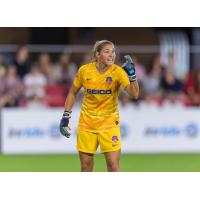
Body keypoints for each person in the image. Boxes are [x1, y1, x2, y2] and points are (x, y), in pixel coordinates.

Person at [59, 40, 139, 172]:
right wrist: (65, 116)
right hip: (87, 124)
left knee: (113, 166)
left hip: (109, 124)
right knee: (86, 167)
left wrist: (132, 75)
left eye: (113, 51)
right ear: (97, 54)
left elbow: (134, 94)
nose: (111, 55)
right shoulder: (85, 71)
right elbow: (72, 92)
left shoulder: (118, 72)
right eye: (107, 51)